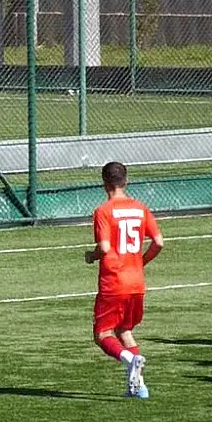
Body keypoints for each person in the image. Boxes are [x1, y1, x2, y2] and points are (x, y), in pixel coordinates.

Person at [85, 161, 163, 399]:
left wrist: (91, 256)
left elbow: (104, 247)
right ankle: (140, 387)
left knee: (102, 334)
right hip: (136, 282)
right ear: (126, 181)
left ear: (104, 183)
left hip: (114, 282)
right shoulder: (140, 208)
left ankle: (129, 359)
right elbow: (159, 242)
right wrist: (141, 262)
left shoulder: (104, 211)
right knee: (124, 329)